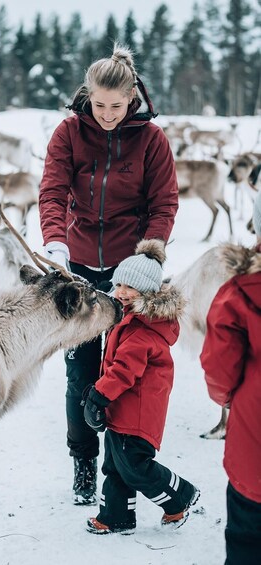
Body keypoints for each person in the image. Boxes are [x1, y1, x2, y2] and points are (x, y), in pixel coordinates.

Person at [38, 43, 179, 504]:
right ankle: (82, 462)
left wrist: (150, 257)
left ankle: (115, 470)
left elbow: (164, 203)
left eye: (116, 106)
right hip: (77, 270)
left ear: (132, 96)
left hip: (127, 277)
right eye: (98, 105)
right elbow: (53, 190)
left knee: (123, 373)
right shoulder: (68, 133)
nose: (106, 114)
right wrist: (55, 242)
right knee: (80, 375)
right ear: (86, 95)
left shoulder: (151, 140)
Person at [83, 239, 200, 534]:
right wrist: (101, 394)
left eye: (129, 287)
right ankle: (116, 516)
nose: (120, 292)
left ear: (146, 292)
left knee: (134, 467)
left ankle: (180, 496)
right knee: (115, 466)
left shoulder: (143, 331)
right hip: (122, 409)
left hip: (136, 413)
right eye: (119, 284)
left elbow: (123, 371)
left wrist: (99, 395)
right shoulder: (130, 320)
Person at [200, 191, 261, 565]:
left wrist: (227, 399)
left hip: (254, 452)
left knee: (246, 542)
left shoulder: (239, 293)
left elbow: (219, 370)